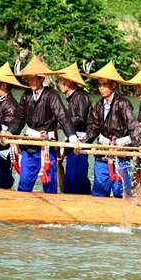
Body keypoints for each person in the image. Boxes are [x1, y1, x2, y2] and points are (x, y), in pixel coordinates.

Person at [9, 56, 77, 193]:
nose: (31, 81)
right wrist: (10, 134)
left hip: (46, 144)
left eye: (34, 78)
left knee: (50, 185)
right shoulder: (26, 95)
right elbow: (19, 118)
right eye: (29, 78)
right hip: (29, 144)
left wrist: (72, 137)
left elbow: (62, 116)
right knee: (24, 183)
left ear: (41, 78)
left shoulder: (51, 95)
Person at [84, 62, 141, 198]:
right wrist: (82, 141)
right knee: (99, 191)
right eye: (99, 85)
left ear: (113, 85)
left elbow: (132, 125)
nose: (101, 88)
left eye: (104, 85)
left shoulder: (123, 103)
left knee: (121, 192)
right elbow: (93, 127)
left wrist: (139, 145)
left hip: (120, 153)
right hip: (103, 152)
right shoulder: (99, 105)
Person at [55, 62, 92, 195]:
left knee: (76, 179)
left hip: (80, 141)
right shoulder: (73, 97)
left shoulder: (81, 97)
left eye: (61, 81)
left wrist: (62, 123)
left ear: (68, 82)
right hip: (73, 140)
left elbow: (80, 118)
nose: (59, 84)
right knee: (73, 179)